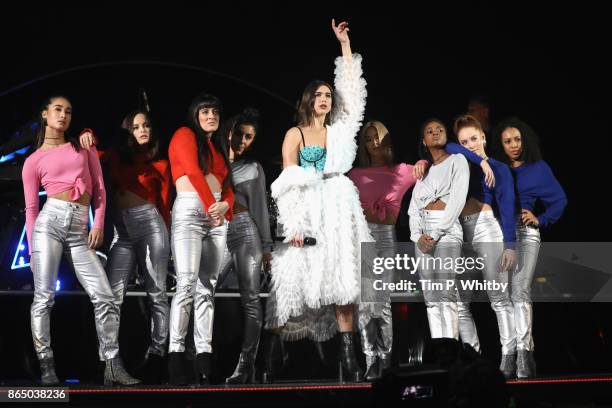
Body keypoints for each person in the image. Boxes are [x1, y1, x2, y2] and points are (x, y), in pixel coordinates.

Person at [265, 19, 372, 382]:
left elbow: (354, 94)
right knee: (294, 280)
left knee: (344, 282)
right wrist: (293, 227)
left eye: (329, 95)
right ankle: (271, 357)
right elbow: (288, 182)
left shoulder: (340, 129)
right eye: (319, 95)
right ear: (309, 100)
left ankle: (350, 360)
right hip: (308, 210)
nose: (325, 99)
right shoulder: (294, 133)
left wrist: (344, 46)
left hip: (340, 209)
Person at [22, 95, 139, 385]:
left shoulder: (82, 145)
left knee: (105, 296)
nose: (63, 115)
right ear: (45, 114)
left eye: (69, 111)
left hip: (78, 228)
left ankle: (111, 364)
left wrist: (97, 223)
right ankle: (47, 366)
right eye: (58, 110)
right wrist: (33, 253)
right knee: (44, 297)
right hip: (48, 224)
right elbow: (32, 209)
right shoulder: (33, 161)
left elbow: (99, 188)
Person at [80, 109, 172, 383]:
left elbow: (165, 206)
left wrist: (169, 239)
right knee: (111, 297)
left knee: (157, 293)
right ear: (126, 131)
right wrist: (87, 132)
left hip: (151, 226)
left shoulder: (161, 164)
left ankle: (158, 355)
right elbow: (90, 153)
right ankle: (110, 361)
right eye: (135, 127)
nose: (142, 130)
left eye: (146, 126)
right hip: (122, 232)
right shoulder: (114, 158)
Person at [347, 120, 427, 380]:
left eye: (378, 137)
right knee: (366, 304)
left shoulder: (400, 171)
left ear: (387, 139)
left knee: (381, 303)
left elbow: (424, 166)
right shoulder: (356, 175)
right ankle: (371, 358)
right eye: (368, 139)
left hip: (386, 239)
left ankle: (385, 357)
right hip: (363, 237)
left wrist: (422, 164)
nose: (374, 143)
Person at [491, 117, 567, 378]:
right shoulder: (497, 169)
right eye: (508, 141)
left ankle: (525, 354)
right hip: (500, 234)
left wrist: (541, 219)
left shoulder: (538, 168)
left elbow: (559, 200)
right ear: (500, 144)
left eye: (517, 139)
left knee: (519, 290)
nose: (514, 145)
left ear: (525, 140)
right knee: (501, 295)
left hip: (525, 233)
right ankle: (508, 353)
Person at [450, 114, 517, 378]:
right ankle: (472, 360)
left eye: (474, 139)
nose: (469, 145)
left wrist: (510, 245)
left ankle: (509, 356)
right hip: (459, 232)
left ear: (484, 137)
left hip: (487, 228)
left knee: (498, 297)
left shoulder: (499, 168)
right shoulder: (459, 163)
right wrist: (478, 160)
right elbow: (448, 147)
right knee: (459, 300)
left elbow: (509, 206)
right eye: (464, 141)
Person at [218, 108, 273, 384]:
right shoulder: (211, 160)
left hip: (244, 230)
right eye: (239, 134)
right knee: (199, 292)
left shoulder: (252, 168)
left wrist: (266, 247)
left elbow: (260, 208)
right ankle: (194, 358)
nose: (243, 140)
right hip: (214, 232)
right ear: (228, 131)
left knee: (251, 299)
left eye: (249, 137)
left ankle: (246, 365)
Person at [408, 119, 469, 342]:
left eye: (440, 130)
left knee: (445, 291)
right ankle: (439, 347)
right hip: (423, 233)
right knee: (431, 296)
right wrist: (417, 237)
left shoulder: (457, 161)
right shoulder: (423, 171)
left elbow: (457, 201)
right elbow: (413, 209)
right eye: (429, 131)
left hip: (446, 230)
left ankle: (451, 348)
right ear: (423, 141)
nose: (435, 133)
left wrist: (434, 235)